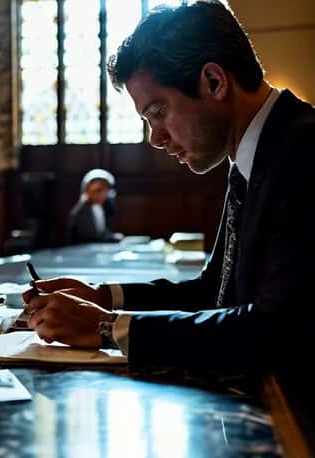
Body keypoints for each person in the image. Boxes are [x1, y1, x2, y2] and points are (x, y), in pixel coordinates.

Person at [22, 0, 315, 370]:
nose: (155, 139)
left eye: (158, 112)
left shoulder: (304, 153)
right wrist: (104, 297)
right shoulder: (257, 152)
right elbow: (214, 292)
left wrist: (106, 327)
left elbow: (278, 330)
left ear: (213, 82)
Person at [67, 169, 123, 244]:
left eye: (105, 190)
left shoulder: (100, 207)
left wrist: (111, 236)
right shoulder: (81, 211)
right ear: (87, 191)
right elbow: (88, 237)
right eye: (97, 190)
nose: (101, 194)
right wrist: (111, 238)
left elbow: (101, 230)